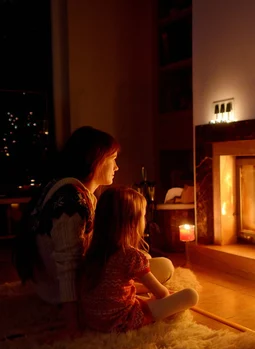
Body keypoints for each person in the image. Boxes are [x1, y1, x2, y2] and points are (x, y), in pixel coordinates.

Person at [13, 126, 174, 334]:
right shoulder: (71, 205)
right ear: (96, 161)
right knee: (164, 268)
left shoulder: (68, 188)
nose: (116, 167)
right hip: (61, 291)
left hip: (73, 281)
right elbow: (67, 267)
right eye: (113, 159)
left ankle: (126, 291)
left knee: (140, 260)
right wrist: (73, 325)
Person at [80, 187, 198, 333]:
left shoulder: (92, 250)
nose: (145, 220)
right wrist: (162, 293)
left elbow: (115, 286)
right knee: (191, 296)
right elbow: (162, 294)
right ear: (131, 222)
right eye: (143, 216)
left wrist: (146, 290)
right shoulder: (131, 256)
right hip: (120, 320)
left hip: (93, 319)